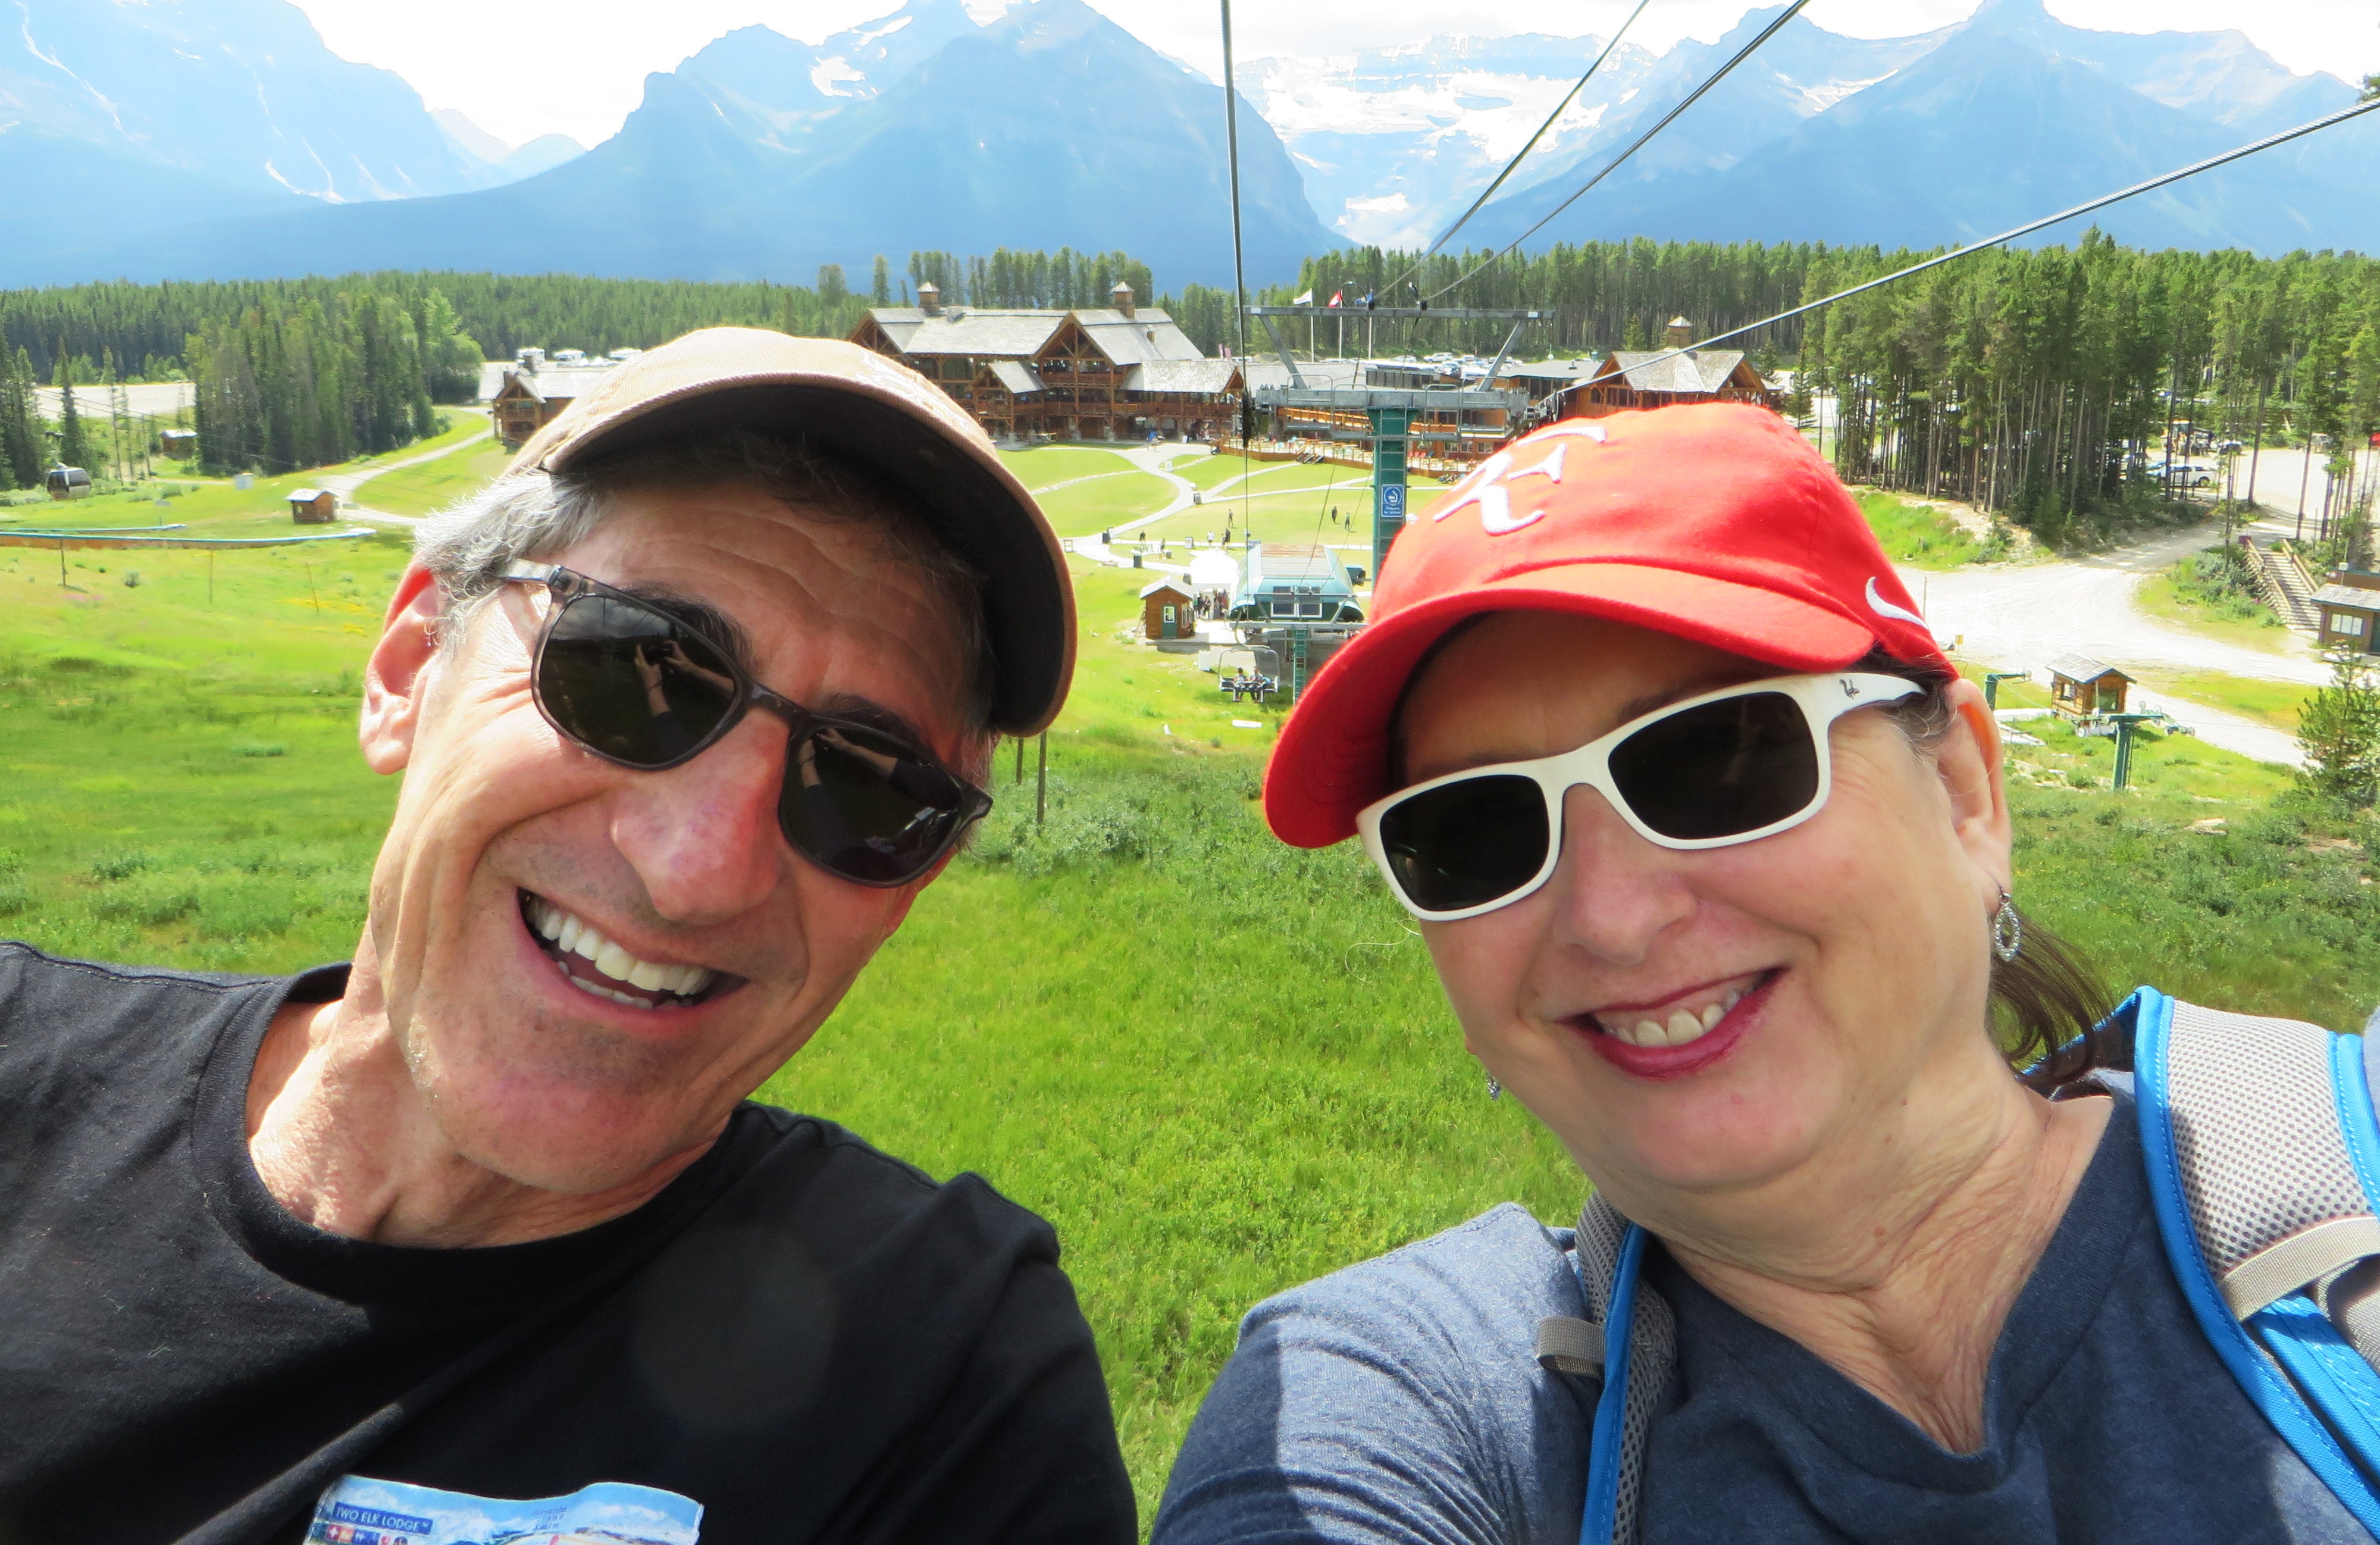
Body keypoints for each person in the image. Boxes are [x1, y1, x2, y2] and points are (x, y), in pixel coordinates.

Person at [1156, 403, 2380, 1544]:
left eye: (1718, 759)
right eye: (1474, 831)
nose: (1613, 919)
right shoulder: (1409, 1403)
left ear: (1963, 794)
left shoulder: (2348, 1168)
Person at [0, 329, 1136, 1545]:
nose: (698, 874)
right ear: (409, 668)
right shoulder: (21, 1070)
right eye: (634, 669)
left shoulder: (949, 1383)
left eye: (868, 788)